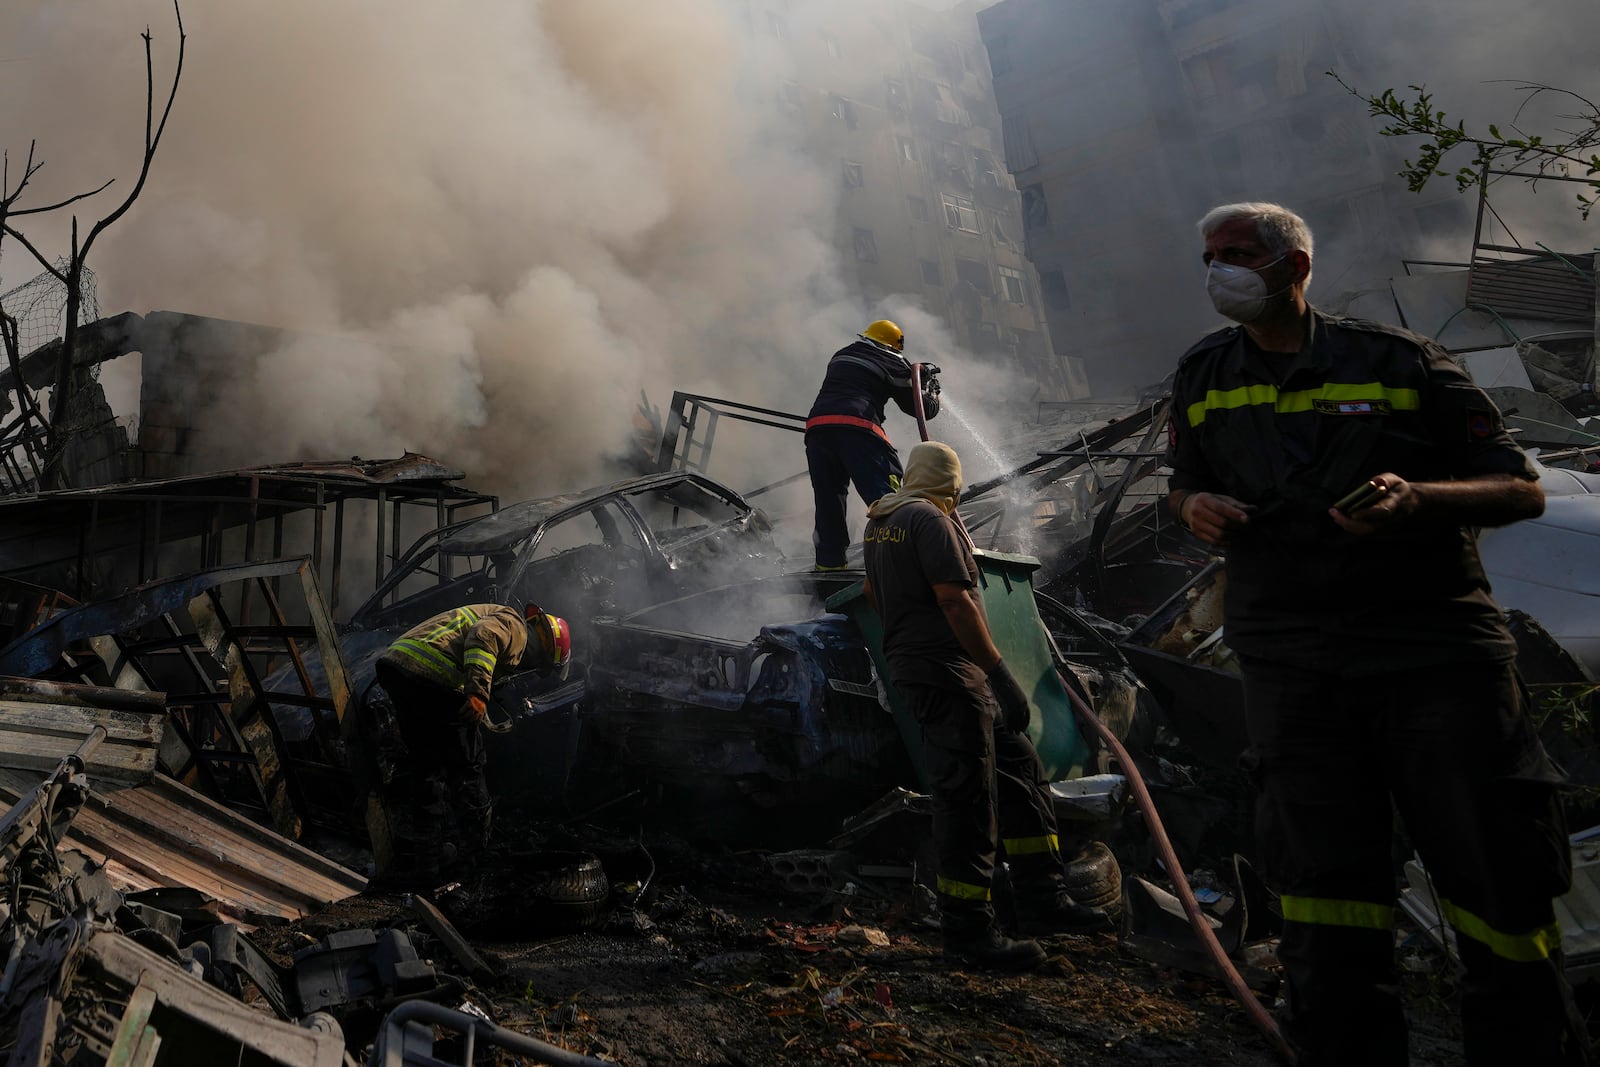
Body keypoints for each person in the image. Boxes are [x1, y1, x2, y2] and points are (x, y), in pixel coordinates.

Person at [1165, 201, 1588, 1065]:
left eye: (1239, 253)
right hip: (1292, 662)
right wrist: (1190, 507)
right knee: (1324, 891)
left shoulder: (1398, 362)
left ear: (1296, 265)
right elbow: (1183, 485)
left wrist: (1420, 498)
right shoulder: (1203, 373)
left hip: (1433, 654)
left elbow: (1519, 487)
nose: (1220, 271)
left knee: (1495, 875)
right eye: (1209, 256)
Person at [862, 440, 1111, 971]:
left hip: (936, 670)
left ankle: (1042, 899)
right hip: (951, 675)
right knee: (968, 797)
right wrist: (1000, 672)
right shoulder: (929, 520)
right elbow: (955, 599)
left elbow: (870, 591)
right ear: (948, 480)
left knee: (1019, 767)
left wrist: (904, 642)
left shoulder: (881, 520)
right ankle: (969, 930)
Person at [374, 601, 572, 877]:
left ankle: (426, 863)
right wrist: (478, 692)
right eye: (542, 667)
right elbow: (485, 635)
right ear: (546, 649)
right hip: (432, 675)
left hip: (399, 669)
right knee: (469, 764)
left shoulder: (499, 620)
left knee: (427, 768)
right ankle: (476, 857)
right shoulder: (517, 627)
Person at [805, 318, 942, 571]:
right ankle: (898, 563)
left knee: (829, 500)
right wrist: (931, 389)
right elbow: (919, 409)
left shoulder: (843, 353)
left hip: (818, 430)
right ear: (895, 345)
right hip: (859, 429)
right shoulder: (893, 360)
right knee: (887, 497)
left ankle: (830, 566)